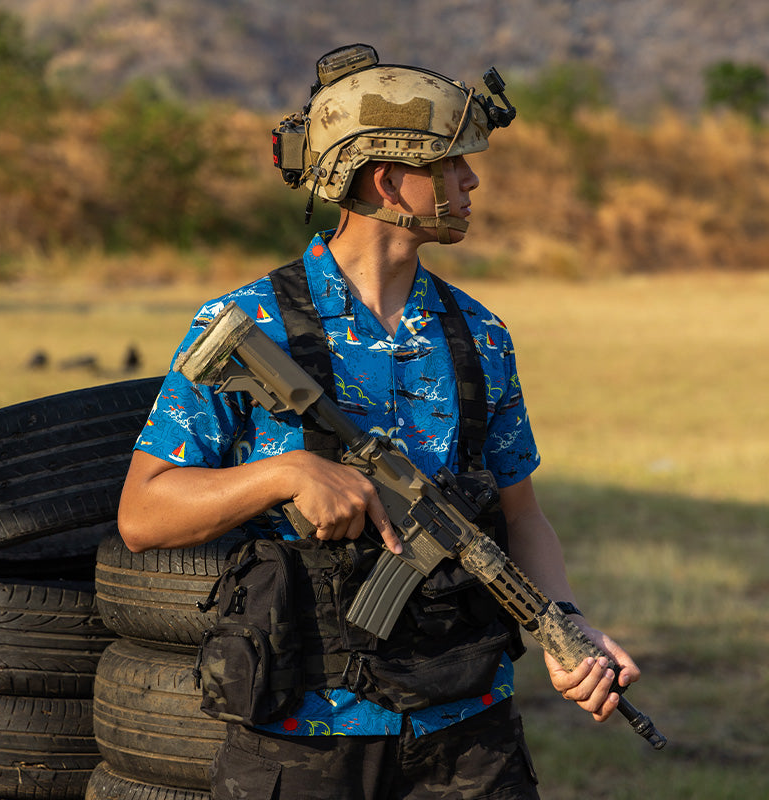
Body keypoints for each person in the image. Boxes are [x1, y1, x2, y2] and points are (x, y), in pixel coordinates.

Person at [118, 44, 640, 800]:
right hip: (305, 734)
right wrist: (284, 473)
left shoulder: (479, 334)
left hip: (467, 734)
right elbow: (143, 512)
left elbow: (521, 514)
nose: (472, 180)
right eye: (453, 164)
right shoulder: (251, 324)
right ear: (390, 180)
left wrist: (565, 627)